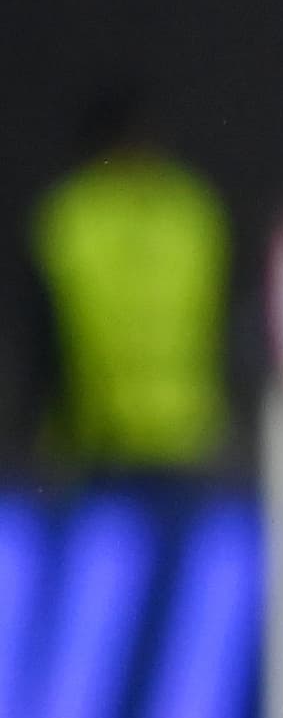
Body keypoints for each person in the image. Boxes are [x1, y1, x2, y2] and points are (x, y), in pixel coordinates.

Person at [31, 93, 229, 474]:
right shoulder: (190, 210)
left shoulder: (189, 212)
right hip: (98, 438)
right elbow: (44, 328)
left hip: (181, 438)